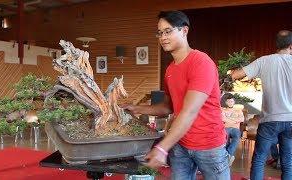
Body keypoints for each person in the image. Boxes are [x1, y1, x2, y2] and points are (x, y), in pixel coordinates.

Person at [122, 11, 230, 180]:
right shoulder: (170, 70)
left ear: (184, 31)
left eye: (168, 31)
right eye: (159, 33)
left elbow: (189, 111)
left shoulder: (201, 62)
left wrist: (162, 148)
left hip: (209, 145)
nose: (162, 37)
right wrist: (136, 108)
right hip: (180, 144)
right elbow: (168, 107)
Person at [231, 30, 292, 180]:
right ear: (291, 46)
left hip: (270, 120)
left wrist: (230, 72)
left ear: (276, 44)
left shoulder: (264, 61)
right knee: (288, 162)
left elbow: (235, 75)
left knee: (259, 160)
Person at [221, 93, 244, 166]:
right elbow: (222, 118)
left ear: (234, 102)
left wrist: (228, 119)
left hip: (235, 129)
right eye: (228, 101)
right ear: (226, 102)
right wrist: (235, 120)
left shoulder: (238, 110)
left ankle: (228, 155)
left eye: (232, 101)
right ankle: (228, 158)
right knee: (225, 139)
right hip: (226, 128)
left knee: (237, 137)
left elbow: (242, 119)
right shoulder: (223, 110)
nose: (230, 103)